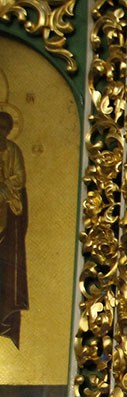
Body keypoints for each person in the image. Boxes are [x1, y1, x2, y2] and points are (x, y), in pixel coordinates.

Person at [0, 110, 28, 347]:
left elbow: (19, 178)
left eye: (4, 128)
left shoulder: (13, 151)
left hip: (7, 216)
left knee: (5, 269)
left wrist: (3, 187)